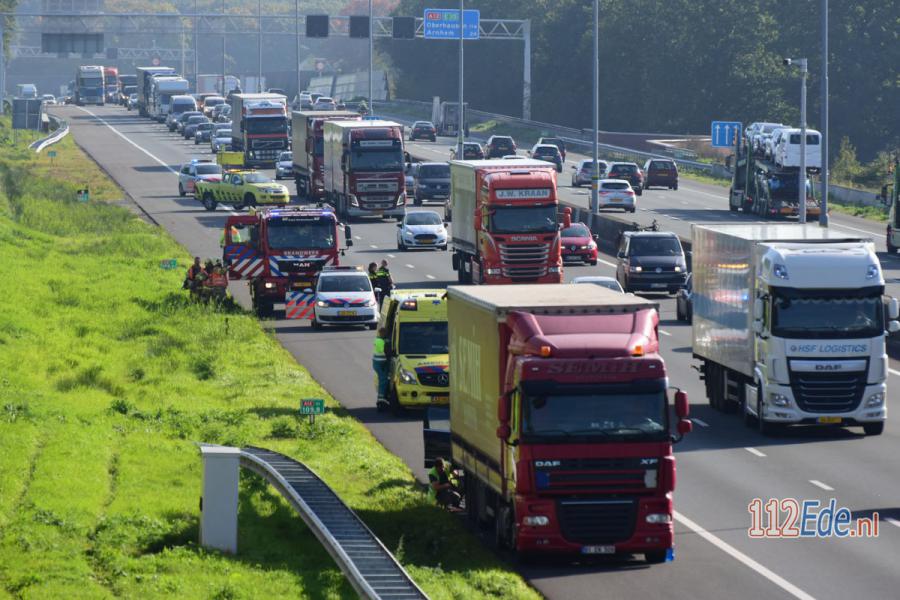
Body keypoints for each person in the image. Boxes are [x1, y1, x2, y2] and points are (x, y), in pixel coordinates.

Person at [372, 328, 390, 409]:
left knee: (384, 379)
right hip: (380, 363)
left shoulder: (378, 340)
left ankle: (382, 397)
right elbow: (385, 351)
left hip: (378, 362)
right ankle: (381, 399)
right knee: (383, 380)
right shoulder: (382, 341)